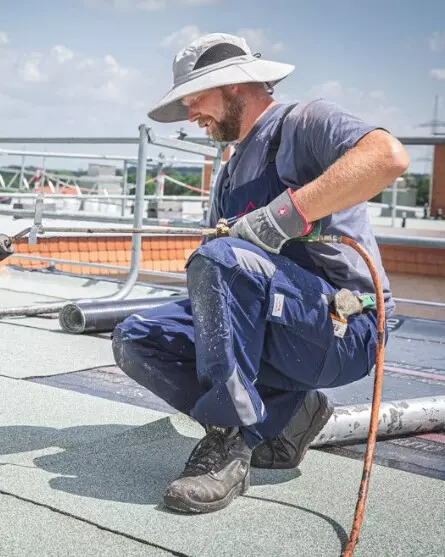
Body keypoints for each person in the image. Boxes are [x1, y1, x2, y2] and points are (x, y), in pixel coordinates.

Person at [112, 33, 409, 514]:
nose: (191, 115)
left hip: (342, 328)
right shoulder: (229, 173)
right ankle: (288, 414)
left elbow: (387, 157)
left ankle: (230, 443)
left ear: (234, 86)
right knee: (137, 339)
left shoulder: (304, 123)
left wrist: (281, 218)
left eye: (195, 99)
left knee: (222, 257)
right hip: (280, 330)